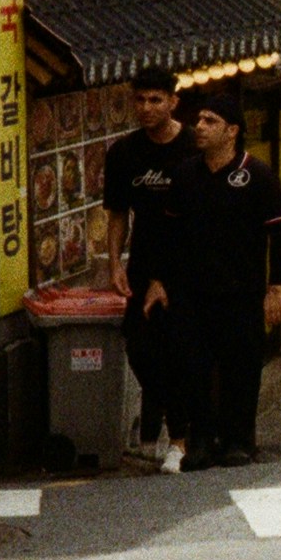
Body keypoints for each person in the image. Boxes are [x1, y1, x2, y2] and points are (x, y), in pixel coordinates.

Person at [160, 89, 281, 469]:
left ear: (232, 131)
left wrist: (275, 288)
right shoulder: (185, 174)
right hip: (193, 292)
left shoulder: (258, 175)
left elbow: (278, 236)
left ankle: (239, 440)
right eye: (198, 120)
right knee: (195, 366)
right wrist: (163, 280)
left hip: (242, 292)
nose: (199, 127)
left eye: (209, 121)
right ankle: (200, 440)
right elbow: (169, 235)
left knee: (241, 367)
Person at [102, 64, 194, 474]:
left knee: (177, 350)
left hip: (187, 262)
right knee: (139, 348)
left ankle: (178, 439)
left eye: (155, 99)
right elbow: (117, 213)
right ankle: (164, 418)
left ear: (173, 102)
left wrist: (167, 276)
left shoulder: (193, 146)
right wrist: (114, 261)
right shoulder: (124, 153)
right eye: (140, 99)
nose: (146, 107)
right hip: (141, 260)